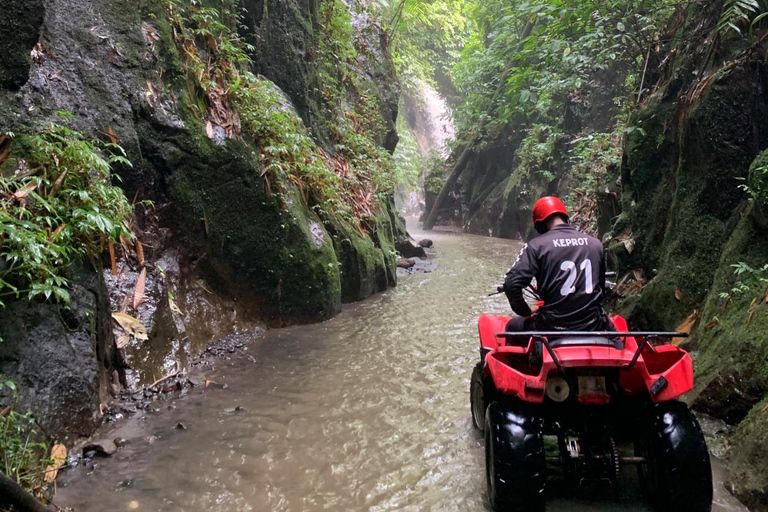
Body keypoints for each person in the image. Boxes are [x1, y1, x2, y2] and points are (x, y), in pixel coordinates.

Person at [503, 196, 613, 333]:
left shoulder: (536, 246)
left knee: (511, 326)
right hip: (591, 325)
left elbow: (511, 284)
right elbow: (600, 289)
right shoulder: (596, 244)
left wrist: (525, 311)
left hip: (552, 327)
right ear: (566, 217)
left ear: (540, 224)